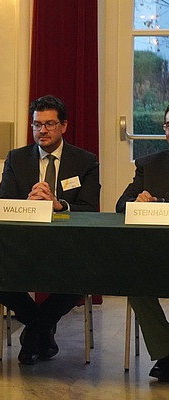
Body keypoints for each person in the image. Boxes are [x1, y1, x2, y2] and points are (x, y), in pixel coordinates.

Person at [0, 94, 100, 365]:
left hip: (68, 248)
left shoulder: (85, 161)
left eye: (49, 124)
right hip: (23, 246)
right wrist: (28, 203)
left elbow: (90, 209)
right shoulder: (16, 159)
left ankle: (33, 333)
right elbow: (3, 202)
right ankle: (42, 329)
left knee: (83, 275)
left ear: (63, 126)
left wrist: (59, 204)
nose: (42, 130)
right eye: (37, 124)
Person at [116, 103, 169, 381]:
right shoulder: (150, 164)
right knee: (134, 279)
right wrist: (136, 202)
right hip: (157, 253)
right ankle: (166, 352)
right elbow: (120, 205)